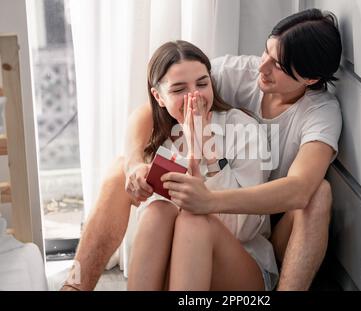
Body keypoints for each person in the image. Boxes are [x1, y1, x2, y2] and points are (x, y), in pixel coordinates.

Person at [62, 8, 342, 291]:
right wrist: (134, 165)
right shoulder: (229, 75)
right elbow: (147, 111)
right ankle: (74, 286)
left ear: (309, 79)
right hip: (205, 230)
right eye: (265, 52)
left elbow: (299, 189)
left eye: (278, 65)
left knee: (319, 193)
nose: (262, 67)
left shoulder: (317, 114)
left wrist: (207, 192)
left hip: (268, 225)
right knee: (126, 178)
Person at [127, 40, 278, 290]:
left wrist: (207, 146)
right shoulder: (161, 139)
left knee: (193, 221)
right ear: (159, 97)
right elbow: (153, 234)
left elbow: (244, 228)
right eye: (178, 89)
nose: (194, 96)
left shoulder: (242, 128)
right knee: (157, 212)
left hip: (241, 264)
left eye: (202, 83)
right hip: (179, 267)